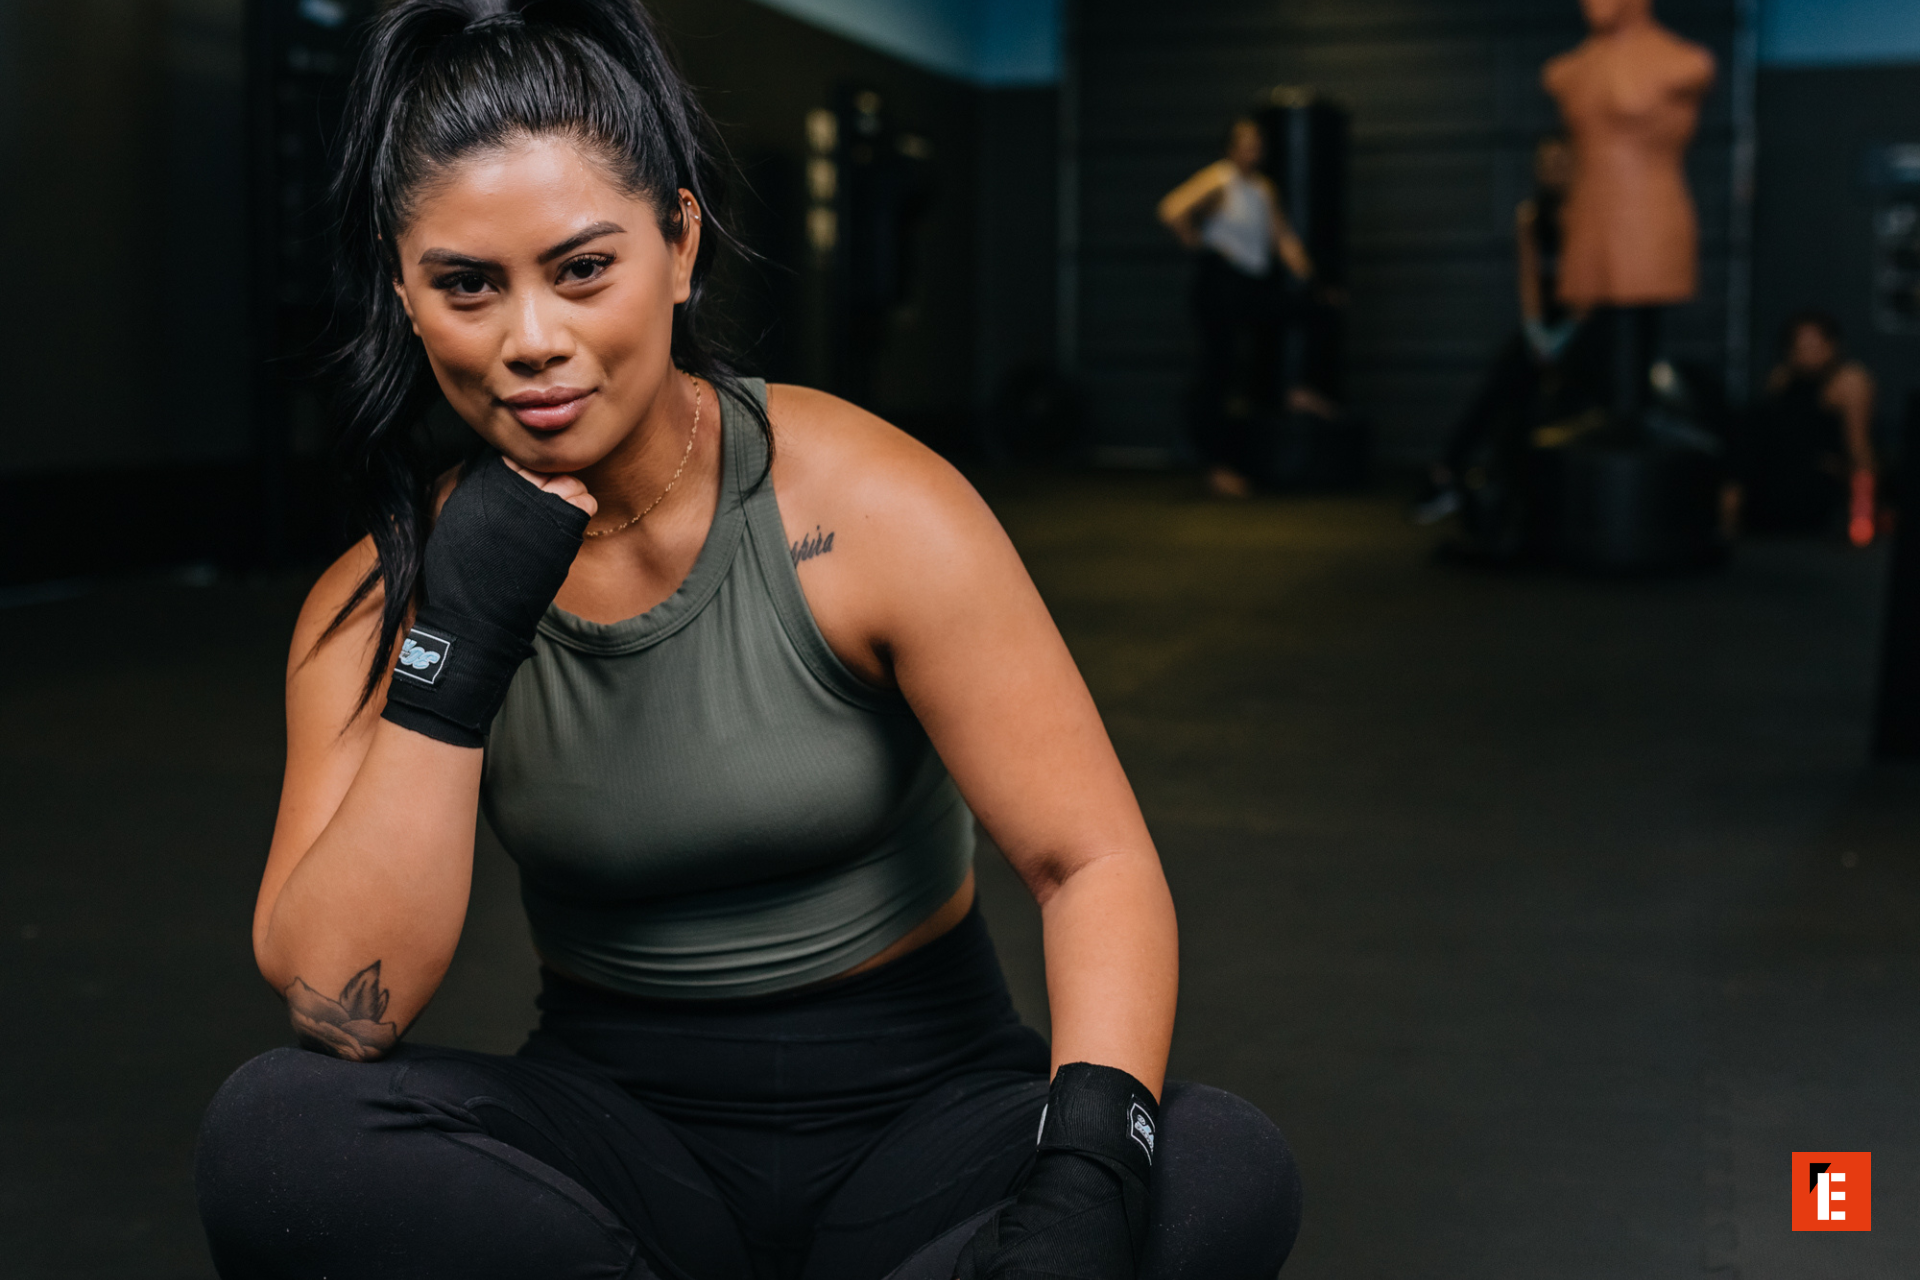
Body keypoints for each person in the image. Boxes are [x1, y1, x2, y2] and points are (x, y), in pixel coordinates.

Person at [190, 4, 1302, 1280]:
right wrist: (456, 645)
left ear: (679, 240)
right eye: (468, 286)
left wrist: (1087, 1177)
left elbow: (1090, 860)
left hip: (926, 1113)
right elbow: (340, 999)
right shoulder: (379, 603)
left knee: (1216, 1163)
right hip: (620, 1142)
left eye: (584, 267)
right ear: (407, 293)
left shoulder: (869, 506)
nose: (532, 339)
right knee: (273, 1138)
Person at [1544, 0, 1714, 422]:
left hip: (1650, 217)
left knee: (1636, 319)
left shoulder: (1684, 64)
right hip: (1590, 214)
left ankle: (1632, 411)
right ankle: (1613, 411)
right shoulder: (1567, 71)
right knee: (1599, 327)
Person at [1416, 135, 1593, 525]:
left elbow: (1590, 287)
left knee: (1564, 402)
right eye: (1546, 164)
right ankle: (1446, 474)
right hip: (1543, 328)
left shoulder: (1588, 215)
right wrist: (1535, 331)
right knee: (1501, 384)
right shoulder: (1529, 215)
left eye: (1562, 162)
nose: (1554, 170)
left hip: (1582, 327)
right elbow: (1529, 279)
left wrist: (1567, 335)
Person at [1157, 117, 1315, 497]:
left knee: (1294, 320)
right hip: (1220, 283)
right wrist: (1198, 245)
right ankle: (1216, 466)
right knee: (1219, 371)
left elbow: (1284, 239)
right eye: (1245, 144)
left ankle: (1295, 392)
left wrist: (1310, 279)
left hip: (1250, 285)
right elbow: (1171, 208)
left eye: (1257, 144)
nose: (1252, 151)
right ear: (1231, 148)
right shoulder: (1219, 178)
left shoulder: (1263, 189)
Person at [1726, 311, 1878, 541]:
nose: (1807, 354)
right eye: (1800, 347)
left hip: (1817, 487)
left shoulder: (1849, 382)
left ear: (1832, 345)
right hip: (1772, 482)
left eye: (1815, 346)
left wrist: (1862, 518)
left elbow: (1859, 451)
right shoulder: (1781, 379)